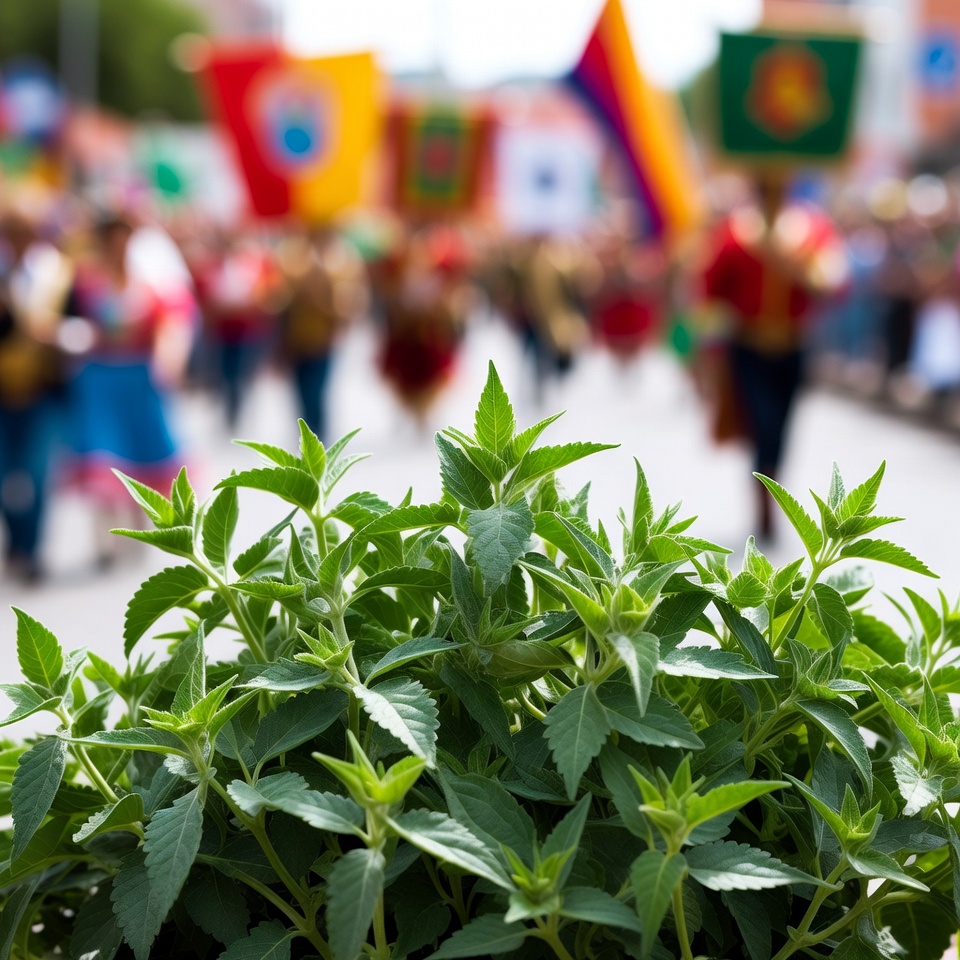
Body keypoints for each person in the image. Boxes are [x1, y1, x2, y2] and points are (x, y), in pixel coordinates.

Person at [701, 175, 847, 539]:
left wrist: (789, 263)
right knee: (762, 425)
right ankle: (765, 502)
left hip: (795, 346)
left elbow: (833, 283)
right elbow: (709, 291)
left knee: (782, 427)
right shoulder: (733, 232)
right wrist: (707, 355)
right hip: (747, 347)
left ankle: (772, 487)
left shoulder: (812, 228)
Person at [64, 212, 194, 565]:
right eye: (113, 238)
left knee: (144, 454)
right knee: (103, 455)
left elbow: (173, 322)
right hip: (101, 378)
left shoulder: (150, 281)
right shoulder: (86, 282)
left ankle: (141, 529)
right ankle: (107, 539)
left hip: (139, 378)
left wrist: (169, 359)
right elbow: (69, 322)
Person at [0, 206, 73, 582]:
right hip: (4, 389)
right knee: (5, 473)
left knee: (37, 470)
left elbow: (81, 323)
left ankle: (31, 549)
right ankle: (15, 539)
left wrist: (59, 334)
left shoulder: (57, 273)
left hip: (43, 388)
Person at [278, 226, 367, 441]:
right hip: (297, 338)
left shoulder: (341, 264)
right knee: (300, 390)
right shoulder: (293, 262)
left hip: (324, 339)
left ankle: (319, 435)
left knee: (317, 390)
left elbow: (350, 302)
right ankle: (306, 433)